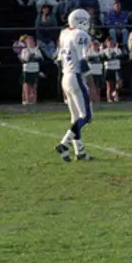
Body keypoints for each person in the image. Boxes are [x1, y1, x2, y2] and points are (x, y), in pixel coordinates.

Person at [54, 9, 94, 162]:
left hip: (65, 76)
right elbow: (83, 62)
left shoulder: (64, 33)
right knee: (87, 116)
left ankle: (80, 152)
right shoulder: (81, 35)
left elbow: (58, 61)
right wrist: (91, 81)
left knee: (76, 118)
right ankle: (64, 143)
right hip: (76, 76)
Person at [20, 35, 44, 106]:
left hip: (35, 70)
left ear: (34, 42)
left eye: (31, 41)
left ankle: (34, 101)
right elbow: (24, 60)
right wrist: (29, 56)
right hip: (27, 70)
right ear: (26, 43)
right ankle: (27, 101)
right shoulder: (24, 50)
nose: (30, 42)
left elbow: (40, 58)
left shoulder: (37, 50)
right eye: (28, 41)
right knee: (27, 86)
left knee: (34, 87)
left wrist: (36, 51)